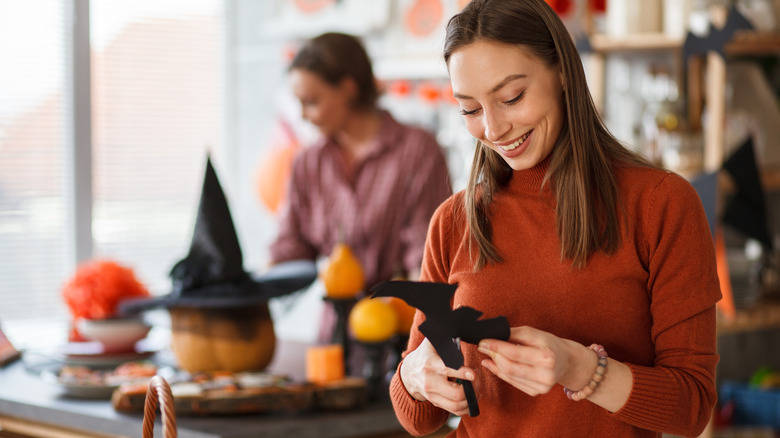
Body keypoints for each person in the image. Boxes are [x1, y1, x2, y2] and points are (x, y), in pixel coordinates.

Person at [389, 1, 721, 437]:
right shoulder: (455, 220)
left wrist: (581, 369)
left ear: (563, 73)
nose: (492, 129)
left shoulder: (661, 203)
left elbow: (692, 408)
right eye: (469, 109)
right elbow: (419, 419)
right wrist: (414, 376)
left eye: (511, 97)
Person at [269, 32, 452, 338]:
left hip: (398, 333)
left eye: (312, 102)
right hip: (333, 339)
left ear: (348, 89)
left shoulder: (417, 151)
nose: (302, 115)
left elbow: (426, 258)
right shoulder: (307, 162)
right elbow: (290, 250)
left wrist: (423, 342)